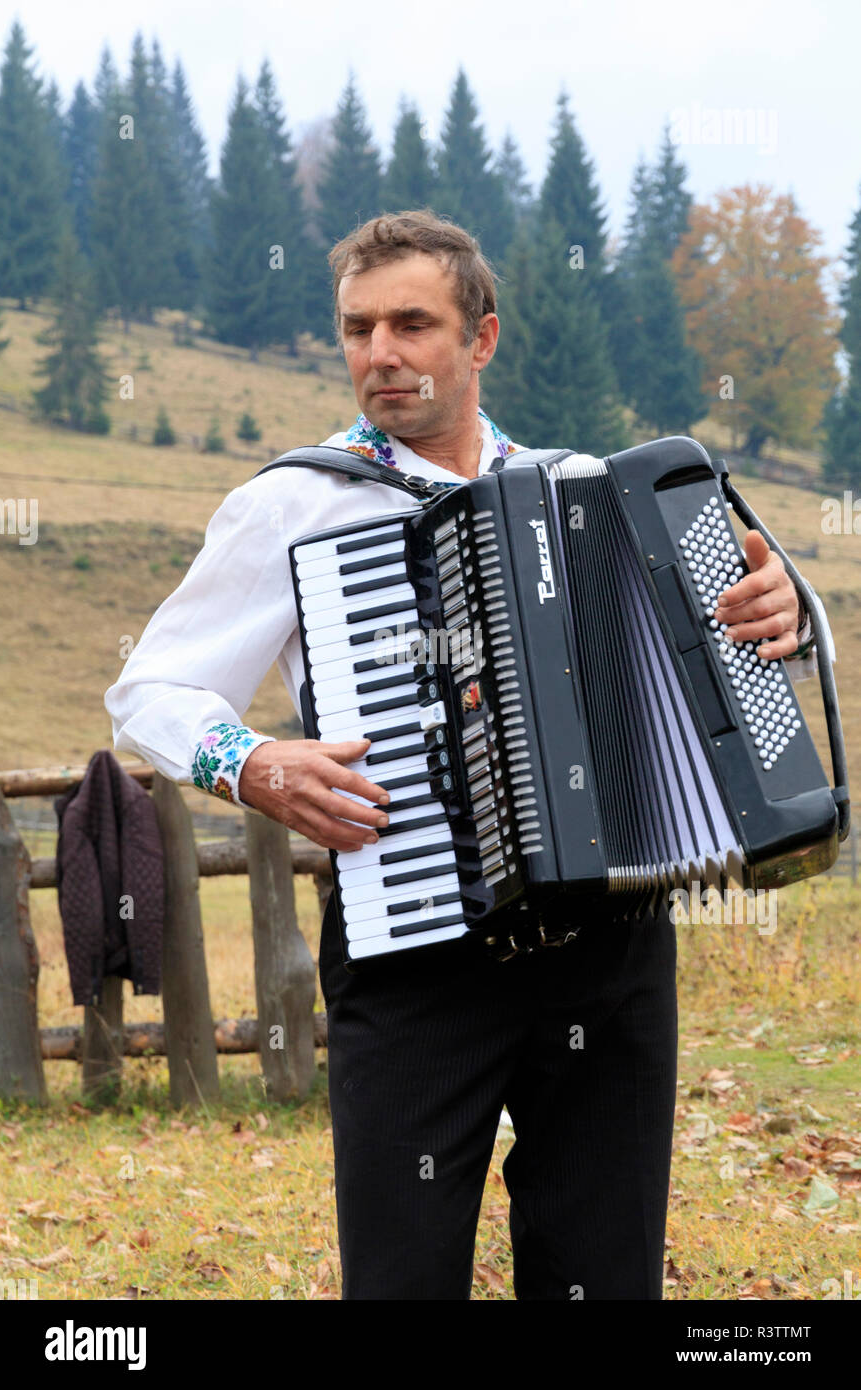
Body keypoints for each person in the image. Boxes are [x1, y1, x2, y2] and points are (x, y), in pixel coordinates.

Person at [105, 210, 833, 1300]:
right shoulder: (293, 504)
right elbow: (149, 688)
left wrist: (787, 600)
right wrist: (253, 762)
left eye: (411, 324)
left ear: (480, 338)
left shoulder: (587, 487)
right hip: (412, 940)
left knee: (602, 1270)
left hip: (607, 939)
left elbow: (738, 636)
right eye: (357, 328)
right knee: (401, 1274)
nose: (379, 354)